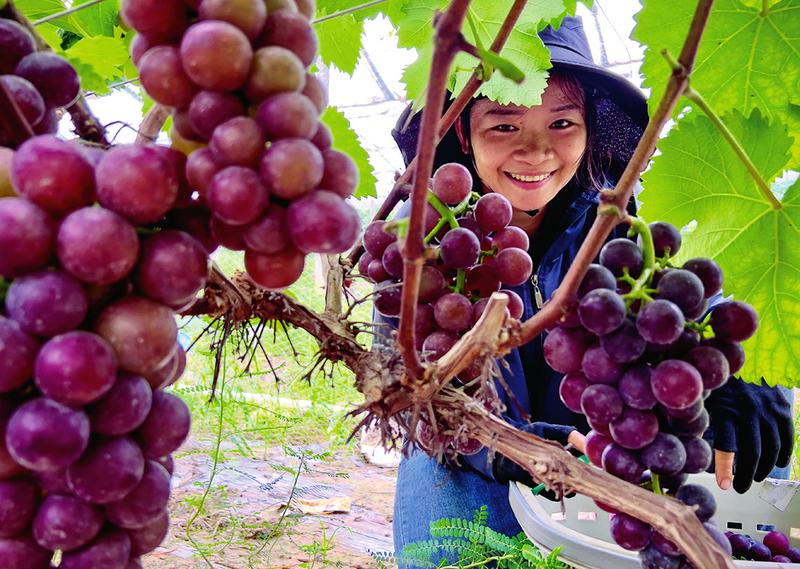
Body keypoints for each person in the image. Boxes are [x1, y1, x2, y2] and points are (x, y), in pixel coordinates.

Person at [382, 15, 794, 567]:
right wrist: (510, 449)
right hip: (464, 446)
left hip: (598, 440)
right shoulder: (419, 237)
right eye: (504, 126)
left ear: (588, 127)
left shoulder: (613, 219)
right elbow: (409, 391)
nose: (536, 153)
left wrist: (744, 375)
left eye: (561, 124)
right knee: (449, 554)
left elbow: (682, 292)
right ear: (463, 131)